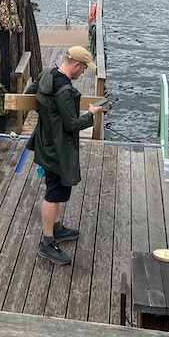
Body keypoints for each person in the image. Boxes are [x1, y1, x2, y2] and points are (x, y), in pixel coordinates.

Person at [25, 46, 103, 265]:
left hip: (45, 141)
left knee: (55, 188)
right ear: (76, 65)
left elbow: (30, 93)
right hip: (57, 149)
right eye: (84, 68)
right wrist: (92, 115)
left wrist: (46, 112)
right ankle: (47, 243)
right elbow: (72, 124)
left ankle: (57, 229)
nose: (84, 73)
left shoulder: (47, 74)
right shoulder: (65, 91)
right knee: (53, 192)